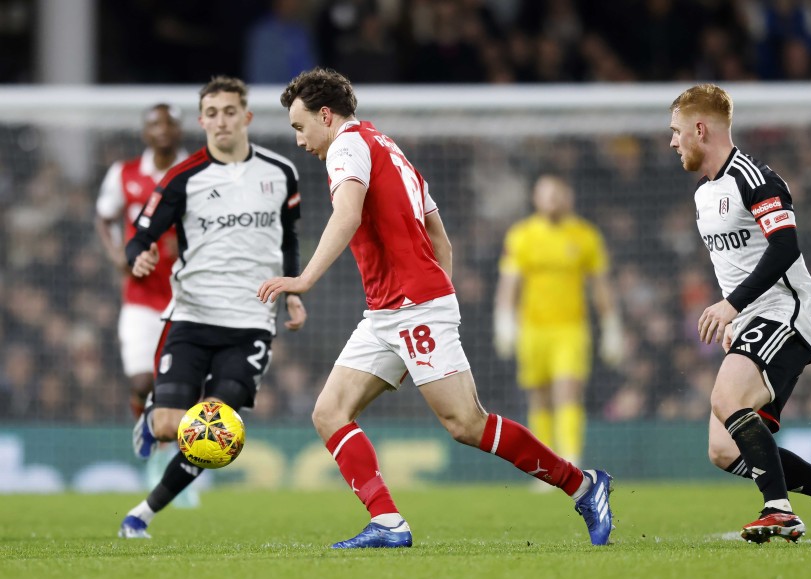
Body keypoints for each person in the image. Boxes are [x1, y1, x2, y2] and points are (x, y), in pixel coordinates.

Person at [258, 67, 614, 549]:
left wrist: (305, 279)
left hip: (412, 306)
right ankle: (388, 522)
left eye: (300, 127)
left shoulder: (346, 147)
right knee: (329, 412)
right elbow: (439, 237)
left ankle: (584, 486)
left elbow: (347, 214)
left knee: (465, 423)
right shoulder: (389, 148)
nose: (299, 141)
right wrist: (436, 293)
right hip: (391, 310)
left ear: (326, 115)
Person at [118, 76, 307, 538]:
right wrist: (138, 255)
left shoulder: (281, 173)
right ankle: (153, 416)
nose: (221, 121)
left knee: (214, 432)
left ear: (246, 116)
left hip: (251, 324)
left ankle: (141, 515)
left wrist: (294, 291)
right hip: (192, 317)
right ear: (201, 121)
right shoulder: (182, 179)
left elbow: (288, 238)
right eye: (212, 113)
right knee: (169, 427)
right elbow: (140, 235)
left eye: (229, 111)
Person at [669, 83, 811, 544]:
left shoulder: (756, 178)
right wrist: (737, 321)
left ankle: (778, 510)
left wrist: (732, 306)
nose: (672, 142)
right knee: (723, 449)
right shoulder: (704, 195)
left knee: (726, 401)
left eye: (676, 131)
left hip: (786, 312)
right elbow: (734, 263)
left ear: (700, 129)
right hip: (752, 319)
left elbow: (785, 246)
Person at [494, 174, 623, 471]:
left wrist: (611, 325)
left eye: (557, 194)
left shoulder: (585, 235)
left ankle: (571, 460)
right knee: (539, 397)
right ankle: (544, 465)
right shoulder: (521, 235)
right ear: (535, 199)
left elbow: (600, 285)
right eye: (545, 194)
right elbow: (509, 284)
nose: (552, 200)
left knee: (568, 390)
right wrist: (504, 321)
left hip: (571, 329)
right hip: (533, 329)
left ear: (569, 198)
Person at [94, 103, 187, 420]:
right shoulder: (125, 173)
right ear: (145, 132)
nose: (162, 130)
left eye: (169, 124)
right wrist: (117, 254)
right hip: (141, 294)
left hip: (188, 296)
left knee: (182, 386)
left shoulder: (197, 172)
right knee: (142, 381)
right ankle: (148, 440)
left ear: (180, 130)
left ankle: (181, 452)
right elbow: (104, 219)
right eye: (155, 124)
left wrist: (187, 241)